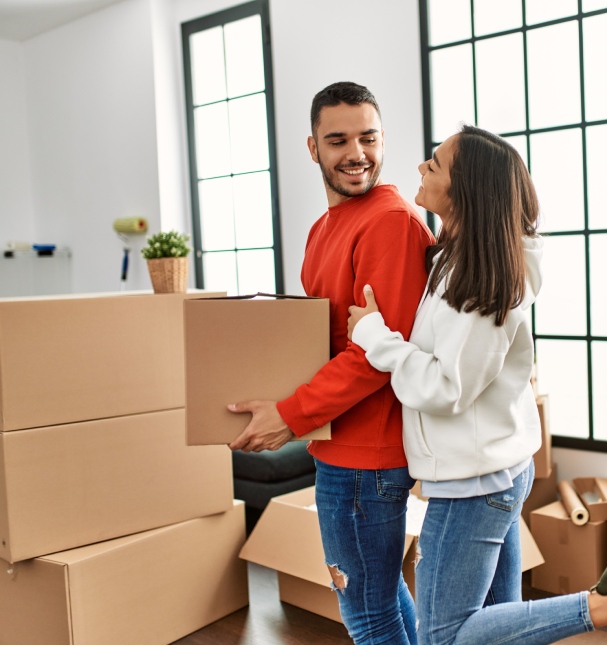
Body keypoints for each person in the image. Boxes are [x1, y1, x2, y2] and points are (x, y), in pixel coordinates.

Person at [346, 124, 607, 645]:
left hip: (474, 482)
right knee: (498, 625)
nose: (422, 168)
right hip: (492, 470)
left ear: (467, 190)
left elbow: (448, 388)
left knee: (445, 636)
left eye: (436, 163)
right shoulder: (464, 262)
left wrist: (373, 335)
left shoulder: (480, 283)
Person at [227, 81, 435, 645]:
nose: (356, 153)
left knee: (367, 613)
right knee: (381, 599)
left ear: (384, 139)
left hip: (368, 456)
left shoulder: (390, 223)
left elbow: (374, 355)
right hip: (338, 446)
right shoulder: (323, 229)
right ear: (313, 147)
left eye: (368, 137)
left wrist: (289, 414)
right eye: (338, 139)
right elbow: (320, 339)